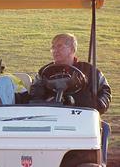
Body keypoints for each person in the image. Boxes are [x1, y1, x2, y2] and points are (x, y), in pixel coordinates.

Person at [30, 33, 111, 164]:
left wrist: (96, 107)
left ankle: (97, 162)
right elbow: (34, 95)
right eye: (53, 47)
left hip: (81, 117)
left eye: (60, 47)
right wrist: (44, 99)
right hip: (51, 118)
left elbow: (105, 91)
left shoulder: (89, 70)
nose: (55, 51)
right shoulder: (44, 71)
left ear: (72, 49)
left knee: (104, 128)